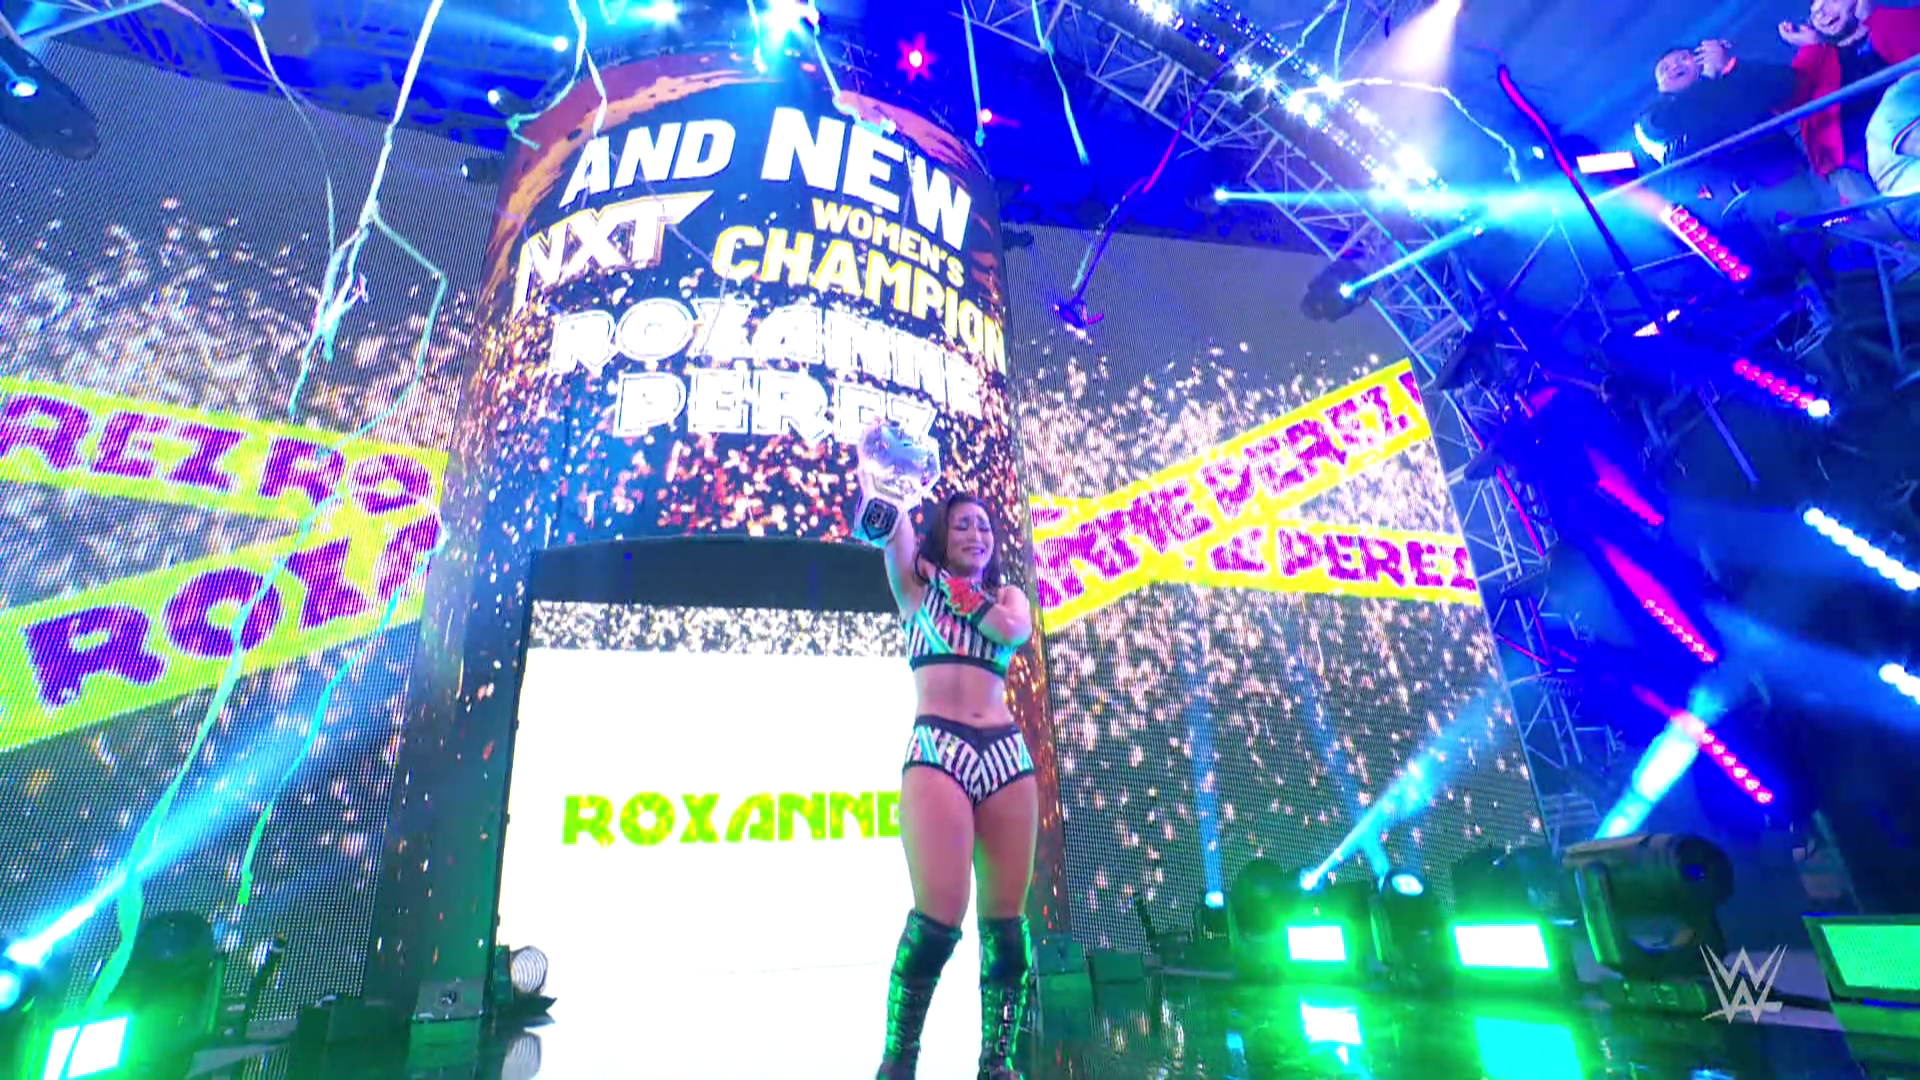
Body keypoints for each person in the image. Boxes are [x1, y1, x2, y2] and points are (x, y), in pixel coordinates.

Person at [871, 488, 1038, 1080]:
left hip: (1005, 755)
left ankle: (997, 1063)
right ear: (943, 534)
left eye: (984, 527)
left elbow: (1012, 630)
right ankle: (899, 1060)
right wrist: (882, 489)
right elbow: (890, 527)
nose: (976, 534)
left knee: (1008, 928)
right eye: (963, 525)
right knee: (938, 920)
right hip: (939, 750)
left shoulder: (1005, 595)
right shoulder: (915, 591)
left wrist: (948, 582)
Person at [1640, 40, 1825, 286]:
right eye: (1665, 69)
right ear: (1660, 87)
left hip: (1780, 181)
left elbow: (1790, 85)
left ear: (1700, 58)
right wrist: (1709, 79)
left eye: (1683, 59)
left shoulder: (1734, 81)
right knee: (1773, 275)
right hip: (1727, 211)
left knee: (1818, 249)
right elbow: (1687, 124)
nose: (1674, 67)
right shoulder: (1657, 116)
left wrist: (1730, 67)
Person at [1780, 0, 1920, 201]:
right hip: (1868, 174)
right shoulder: (1818, 61)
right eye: (1815, 9)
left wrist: (1871, 16)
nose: (1821, 13)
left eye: (1831, 1)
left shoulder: (1895, 21)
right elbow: (1789, 99)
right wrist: (1811, 48)